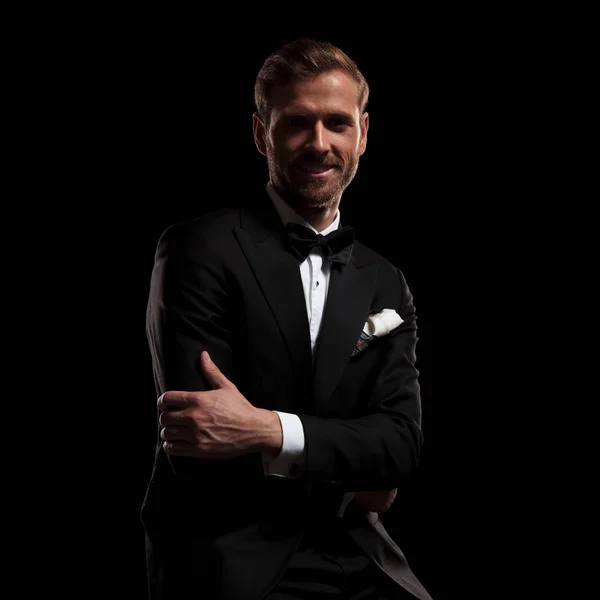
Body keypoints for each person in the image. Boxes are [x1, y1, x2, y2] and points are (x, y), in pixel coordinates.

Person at [141, 37, 433, 600]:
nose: (319, 144)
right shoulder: (198, 249)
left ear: (363, 134)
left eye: (336, 124)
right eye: (297, 122)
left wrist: (266, 430)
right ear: (260, 134)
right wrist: (354, 471)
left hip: (362, 554)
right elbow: (199, 446)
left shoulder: (386, 280)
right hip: (236, 562)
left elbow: (401, 446)